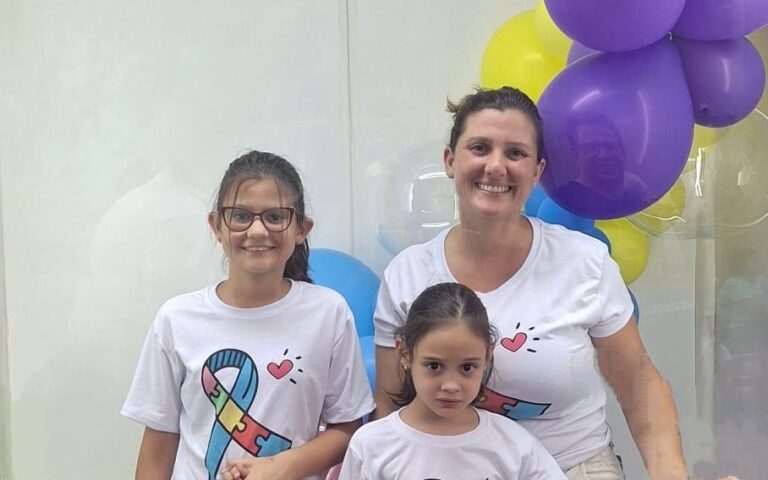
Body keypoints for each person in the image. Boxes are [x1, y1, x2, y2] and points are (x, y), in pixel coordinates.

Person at [372, 87, 687, 480]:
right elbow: (391, 406)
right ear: (450, 160)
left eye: (515, 153)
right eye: (480, 148)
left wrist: (671, 473)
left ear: (537, 171)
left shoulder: (584, 262)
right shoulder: (406, 275)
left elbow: (638, 382)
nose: (496, 166)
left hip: (574, 467)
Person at [122, 150, 375, 480]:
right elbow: (158, 447)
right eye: (240, 216)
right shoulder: (176, 318)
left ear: (302, 229)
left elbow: (346, 428)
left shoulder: (328, 312)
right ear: (216, 226)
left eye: (275, 217)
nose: (257, 230)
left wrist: (278, 467)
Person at [338, 282, 565, 479]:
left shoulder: (514, 445)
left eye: (467, 367)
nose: (451, 386)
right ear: (404, 353)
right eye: (434, 366)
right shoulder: (371, 445)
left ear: (487, 356)